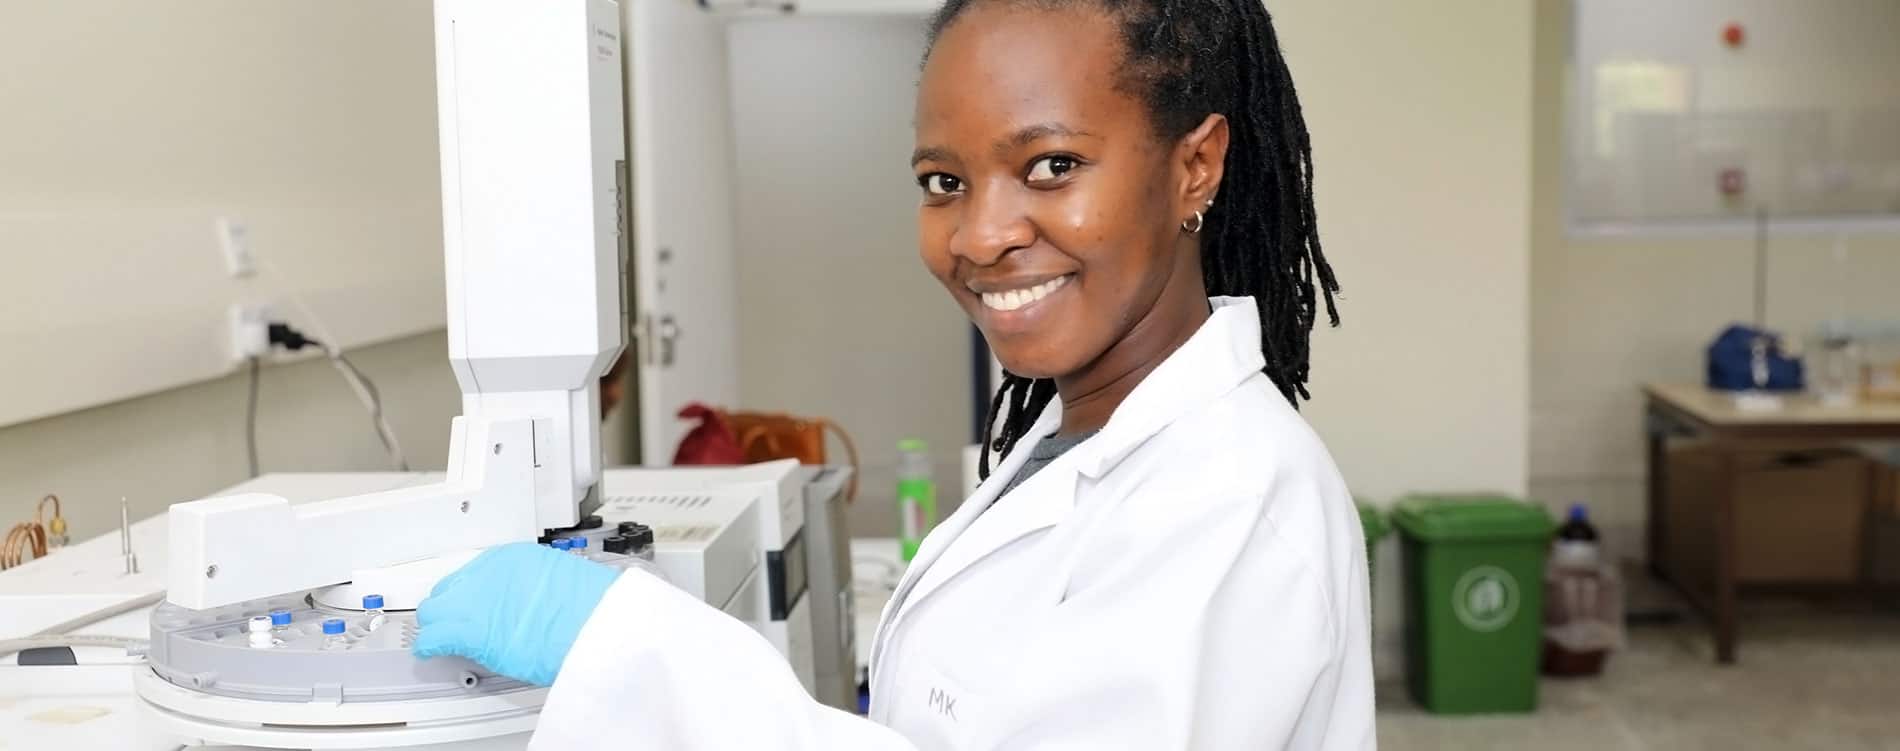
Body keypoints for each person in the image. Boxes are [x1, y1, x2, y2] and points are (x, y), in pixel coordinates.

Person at [412, 0, 1374, 746]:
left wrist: (641, 655)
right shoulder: (1080, 437)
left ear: (1195, 166)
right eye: (943, 182)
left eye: (1051, 166)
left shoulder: (1235, 506)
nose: (980, 235)